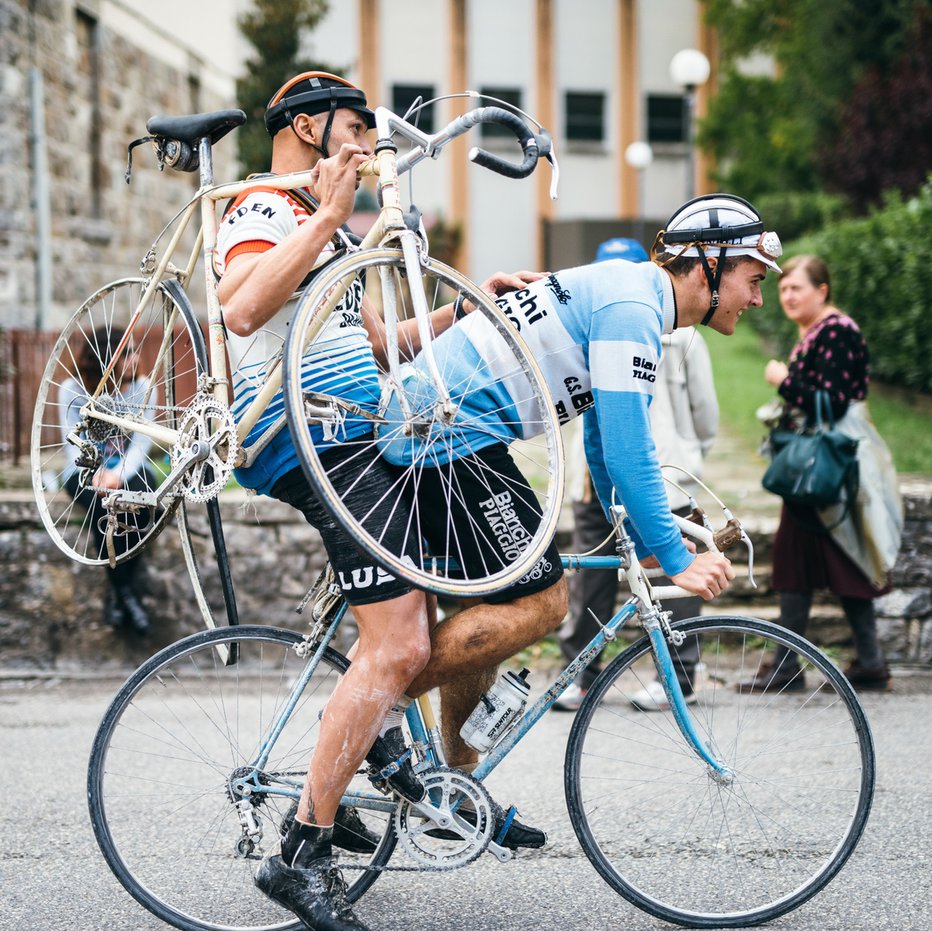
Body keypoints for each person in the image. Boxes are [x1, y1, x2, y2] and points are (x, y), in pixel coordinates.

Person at [216, 72, 543, 931]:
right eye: (356, 127)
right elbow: (244, 307)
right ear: (306, 124)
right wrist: (327, 216)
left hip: (362, 429)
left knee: (439, 594)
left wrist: (464, 316)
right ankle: (302, 852)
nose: (367, 143)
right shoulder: (265, 209)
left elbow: (372, 344)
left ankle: (390, 754)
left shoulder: (329, 237)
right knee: (398, 647)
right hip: (309, 436)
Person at [385, 195, 780, 775]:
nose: (757, 298)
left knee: (486, 611)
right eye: (752, 279)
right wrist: (674, 557)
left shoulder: (633, 294)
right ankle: (374, 707)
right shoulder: (633, 308)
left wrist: (639, 530)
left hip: (439, 430)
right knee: (542, 601)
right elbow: (627, 447)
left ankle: (453, 788)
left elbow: (599, 439)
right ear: (709, 265)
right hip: (446, 435)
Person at [554, 238, 718, 712]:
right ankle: (581, 673)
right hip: (597, 477)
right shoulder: (588, 324)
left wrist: (687, 457)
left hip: (662, 472)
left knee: (674, 574)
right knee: (594, 579)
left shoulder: (683, 333)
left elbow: (704, 411)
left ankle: (680, 675)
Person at [743, 255, 902, 694]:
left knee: (823, 557)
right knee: (820, 556)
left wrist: (782, 380)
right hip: (820, 466)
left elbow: (830, 403)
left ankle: (792, 664)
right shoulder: (822, 331)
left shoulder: (836, 331)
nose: (787, 296)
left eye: (797, 288)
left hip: (829, 465)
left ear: (822, 291)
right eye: (783, 289)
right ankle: (854, 660)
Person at [59, 326, 155, 635]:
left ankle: (120, 592)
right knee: (105, 512)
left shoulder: (142, 387)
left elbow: (141, 443)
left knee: (146, 504)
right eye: (127, 353)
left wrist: (118, 474)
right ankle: (124, 594)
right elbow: (71, 440)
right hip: (83, 470)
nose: (136, 358)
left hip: (127, 468)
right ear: (104, 357)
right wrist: (96, 471)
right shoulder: (72, 388)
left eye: (136, 350)